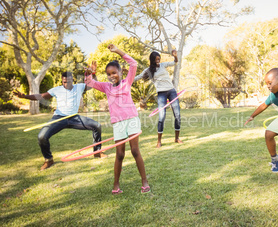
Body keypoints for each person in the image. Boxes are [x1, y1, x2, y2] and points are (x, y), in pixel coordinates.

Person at [84, 44, 150, 194]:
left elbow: (133, 63)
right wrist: (89, 72)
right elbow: (89, 83)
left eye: (114, 72)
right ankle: (116, 185)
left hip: (132, 119)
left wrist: (118, 51)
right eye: (108, 74)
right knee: (120, 154)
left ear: (120, 72)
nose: (111, 76)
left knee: (134, 151)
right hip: (118, 123)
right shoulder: (106, 87)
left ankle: (144, 181)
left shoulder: (127, 82)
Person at [13, 69, 106, 171]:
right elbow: (41, 96)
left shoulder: (79, 87)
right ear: (62, 81)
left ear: (73, 80)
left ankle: (97, 152)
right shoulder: (56, 90)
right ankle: (48, 160)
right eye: (64, 82)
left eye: (69, 82)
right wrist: (25, 96)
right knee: (42, 136)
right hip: (59, 118)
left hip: (74, 117)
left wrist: (92, 73)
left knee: (96, 125)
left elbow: (93, 84)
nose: (66, 84)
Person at [134, 50, 182, 148]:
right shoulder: (148, 70)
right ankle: (159, 141)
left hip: (171, 91)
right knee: (162, 116)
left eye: (159, 59)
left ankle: (177, 138)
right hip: (161, 93)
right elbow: (138, 77)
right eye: (156, 59)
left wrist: (175, 56)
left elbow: (175, 62)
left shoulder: (163, 65)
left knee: (177, 115)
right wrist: (127, 80)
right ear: (152, 60)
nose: (158, 61)